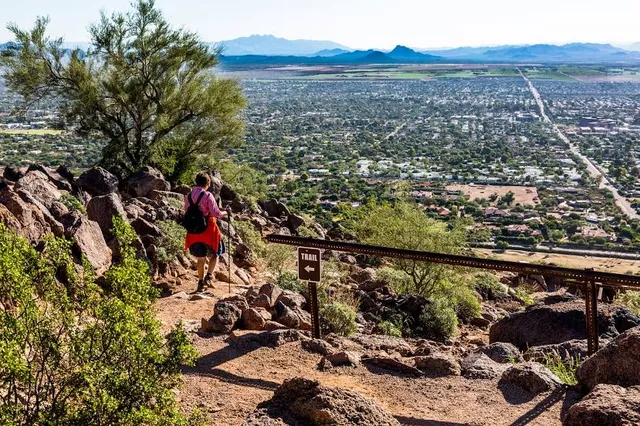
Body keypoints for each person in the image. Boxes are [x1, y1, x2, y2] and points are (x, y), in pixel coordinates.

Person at [184, 172, 230, 293]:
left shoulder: (188, 196)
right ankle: (209, 277)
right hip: (208, 229)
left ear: (196, 182)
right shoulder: (208, 195)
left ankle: (200, 283)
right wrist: (226, 212)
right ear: (208, 183)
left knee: (200, 258)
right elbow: (217, 214)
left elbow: (186, 211)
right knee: (216, 251)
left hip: (193, 230)